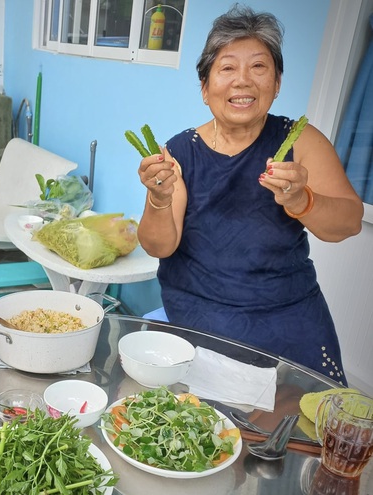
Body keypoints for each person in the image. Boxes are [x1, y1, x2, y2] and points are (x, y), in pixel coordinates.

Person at [137, 5, 363, 384]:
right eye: (227, 68)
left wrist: (301, 200)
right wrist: (159, 200)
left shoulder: (301, 140)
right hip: (202, 316)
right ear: (205, 88)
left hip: (290, 317)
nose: (243, 81)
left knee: (313, 429)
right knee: (210, 432)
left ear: (276, 84)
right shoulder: (180, 151)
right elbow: (158, 246)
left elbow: (348, 223)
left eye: (258, 67)